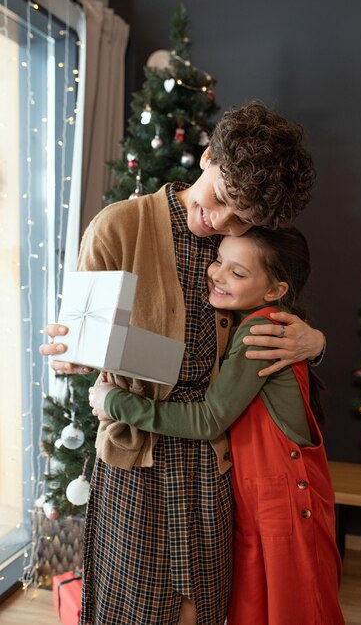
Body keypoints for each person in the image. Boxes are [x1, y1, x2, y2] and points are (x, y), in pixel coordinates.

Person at [40, 101, 325, 625]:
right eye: (221, 199)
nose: (221, 221)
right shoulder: (119, 227)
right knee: (136, 612)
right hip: (135, 463)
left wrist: (313, 340)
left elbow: (277, 319)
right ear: (207, 156)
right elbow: (78, 349)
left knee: (205, 610)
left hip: (213, 463)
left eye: (243, 218)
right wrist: (70, 358)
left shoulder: (242, 242)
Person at [89, 227, 345, 625]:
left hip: (283, 506)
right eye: (219, 260)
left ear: (275, 290)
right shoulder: (255, 321)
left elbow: (209, 418)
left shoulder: (260, 331)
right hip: (264, 502)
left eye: (237, 273)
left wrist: (116, 402)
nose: (218, 274)